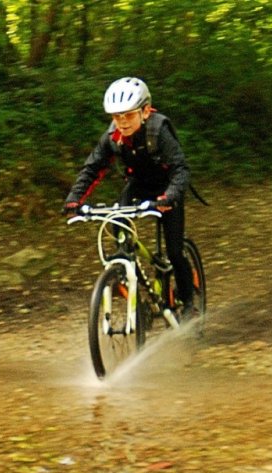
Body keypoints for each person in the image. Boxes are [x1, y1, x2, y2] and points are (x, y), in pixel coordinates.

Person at [63, 76, 194, 318]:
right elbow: (92, 168)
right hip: (137, 187)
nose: (122, 122)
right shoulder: (113, 137)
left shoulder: (159, 130)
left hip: (167, 189)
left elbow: (181, 169)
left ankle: (189, 305)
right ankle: (124, 276)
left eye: (129, 115)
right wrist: (74, 199)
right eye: (116, 116)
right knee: (117, 225)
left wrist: (169, 197)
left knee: (175, 252)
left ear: (145, 111)